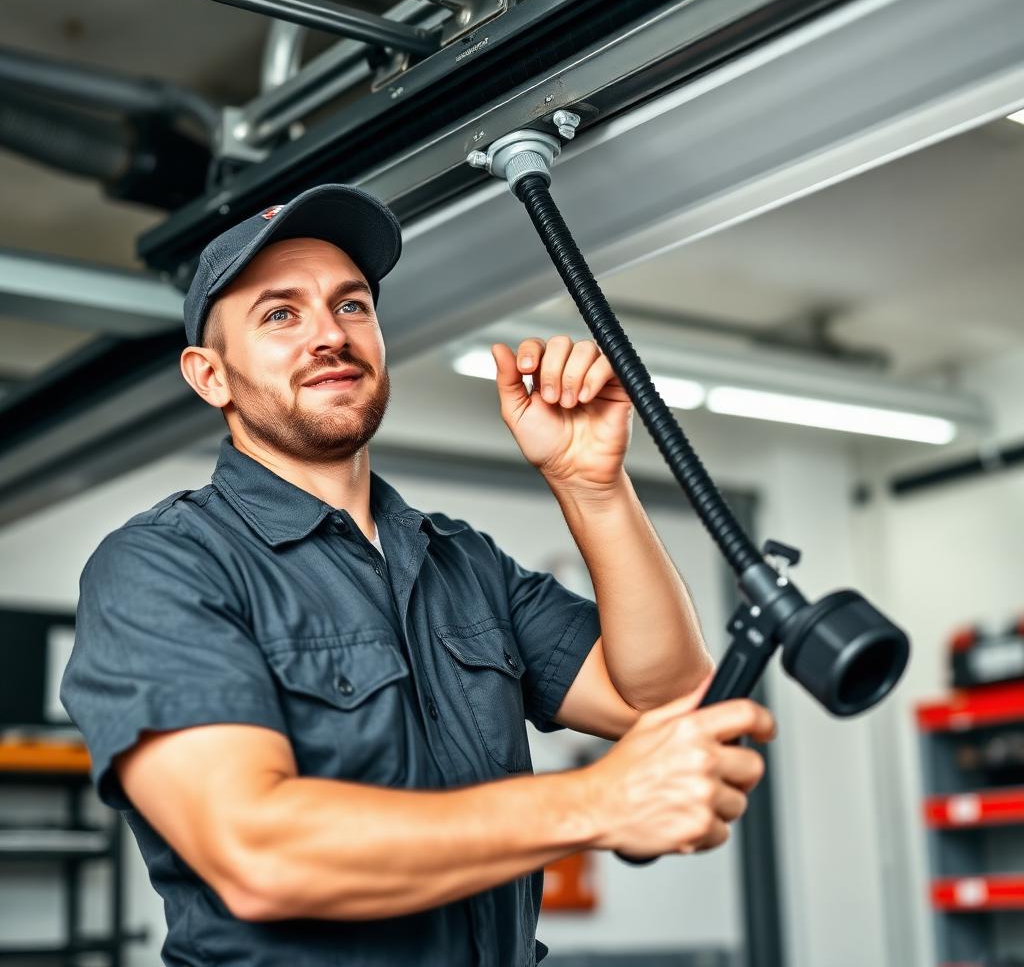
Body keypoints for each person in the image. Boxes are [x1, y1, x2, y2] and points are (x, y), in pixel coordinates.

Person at [61, 183, 775, 967]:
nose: (329, 335)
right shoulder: (165, 566)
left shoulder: (461, 562)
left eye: (353, 305)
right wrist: (596, 802)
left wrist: (591, 485)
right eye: (280, 314)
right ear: (210, 376)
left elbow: (665, 701)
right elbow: (255, 853)